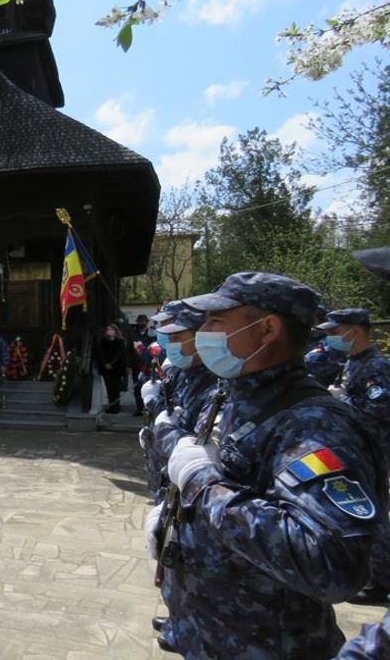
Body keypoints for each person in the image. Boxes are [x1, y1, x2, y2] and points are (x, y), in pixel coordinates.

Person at [144, 272, 384, 659]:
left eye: (216, 321)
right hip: (209, 631)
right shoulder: (234, 395)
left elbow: (330, 564)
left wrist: (201, 486)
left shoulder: (313, 425)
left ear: (267, 329)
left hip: (266, 642)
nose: (203, 331)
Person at [139, 308, 217, 651]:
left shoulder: (215, 382)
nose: (168, 343)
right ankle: (179, 620)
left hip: (196, 490)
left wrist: (167, 432)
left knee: (186, 559)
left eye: (175, 337)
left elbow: (193, 438)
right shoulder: (182, 373)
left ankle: (185, 623)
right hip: (172, 482)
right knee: (172, 555)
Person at [318, 307, 390, 604]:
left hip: (373, 449)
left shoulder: (376, 366)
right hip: (354, 448)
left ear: (355, 331)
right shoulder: (353, 363)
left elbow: (381, 409)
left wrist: (342, 403)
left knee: (373, 512)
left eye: (335, 332)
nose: (331, 338)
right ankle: (368, 572)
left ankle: (380, 580)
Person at [96, 324, 127, 413]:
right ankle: (111, 406)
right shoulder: (103, 341)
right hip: (106, 369)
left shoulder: (120, 341)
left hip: (116, 368)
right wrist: (105, 363)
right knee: (109, 388)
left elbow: (119, 354)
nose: (109, 331)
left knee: (115, 389)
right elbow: (101, 354)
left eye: (111, 329)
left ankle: (116, 407)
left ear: (115, 331)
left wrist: (112, 363)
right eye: (108, 329)